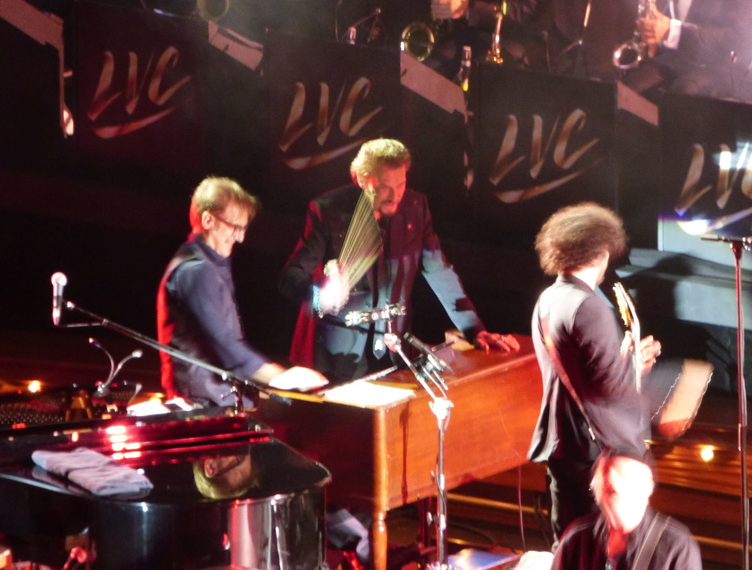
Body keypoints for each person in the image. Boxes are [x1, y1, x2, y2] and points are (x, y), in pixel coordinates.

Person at [278, 138, 519, 384]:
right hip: (336, 354)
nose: (395, 196)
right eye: (383, 186)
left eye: (401, 184)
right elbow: (291, 276)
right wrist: (321, 297)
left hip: (394, 350)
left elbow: (439, 271)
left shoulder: (416, 206)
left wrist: (474, 330)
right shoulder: (328, 210)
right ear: (361, 179)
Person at [528, 202, 661, 543]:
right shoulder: (591, 306)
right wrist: (659, 393)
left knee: (570, 550)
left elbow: (578, 372)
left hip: (563, 446)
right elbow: (610, 391)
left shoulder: (549, 299)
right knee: (603, 552)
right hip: (596, 453)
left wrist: (629, 363)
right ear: (602, 251)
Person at [157, 176, 327, 407]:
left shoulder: (211, 262)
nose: (240, 237)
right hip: (204, 404)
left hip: (216, 397)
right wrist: (280, 377)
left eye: (244, 228)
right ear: (208, 220)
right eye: (235, 227)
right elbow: (225, 345)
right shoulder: (196, 271)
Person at [623, 0, 752, 98]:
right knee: (627, 90)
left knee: (684, 92)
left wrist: (672, 31)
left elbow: (736, 37)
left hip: (726, 65)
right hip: (681, 57)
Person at [551, 452, 703, 569]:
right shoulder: (576, 537)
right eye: (608, 489)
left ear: (646, 489)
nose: (617, 488)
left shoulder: (677, 546)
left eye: (625, 482)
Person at [425, 0, 550, 80]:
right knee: (424, 75)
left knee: (482, 78)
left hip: (511, 39)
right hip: (465, 32)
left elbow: (527, 10)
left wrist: (468, 8)